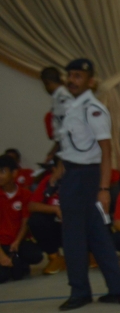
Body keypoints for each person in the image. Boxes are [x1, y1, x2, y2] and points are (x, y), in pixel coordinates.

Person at [55, 59, 120, 311]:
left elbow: (106, 150)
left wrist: (104, 188)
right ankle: (118, 290)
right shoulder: (73, 107)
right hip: (75, 174)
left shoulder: (92, 108)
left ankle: (80, 292)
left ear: (91, 81)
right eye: (70, 75)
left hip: (86, 178)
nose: (72, 80)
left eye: (78, 76)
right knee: (98, 236)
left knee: (74, 236)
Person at [0, 154, 43, 283]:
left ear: (14, 173)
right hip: (1, 244)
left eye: (2, 172)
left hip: (17, 243)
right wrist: (1, 255)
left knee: (35, 256)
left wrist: (17, 242)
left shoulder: (25, 194)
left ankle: (17, 260)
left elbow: (25, 221)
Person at [28, 157, 66, 274]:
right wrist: (55, 209)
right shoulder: (48, 181)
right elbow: (32, 206)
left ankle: (91, 254)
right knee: (36, 220)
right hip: (56, 226)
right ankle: (55, 258)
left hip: (77, 225)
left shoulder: (82, 181)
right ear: (54, 169)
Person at [41, 66, 73, 163]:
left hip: (69, 147)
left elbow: (65, 130)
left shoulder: (62, 98)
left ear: (47, 82)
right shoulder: (61, 95)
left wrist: (53, 152)